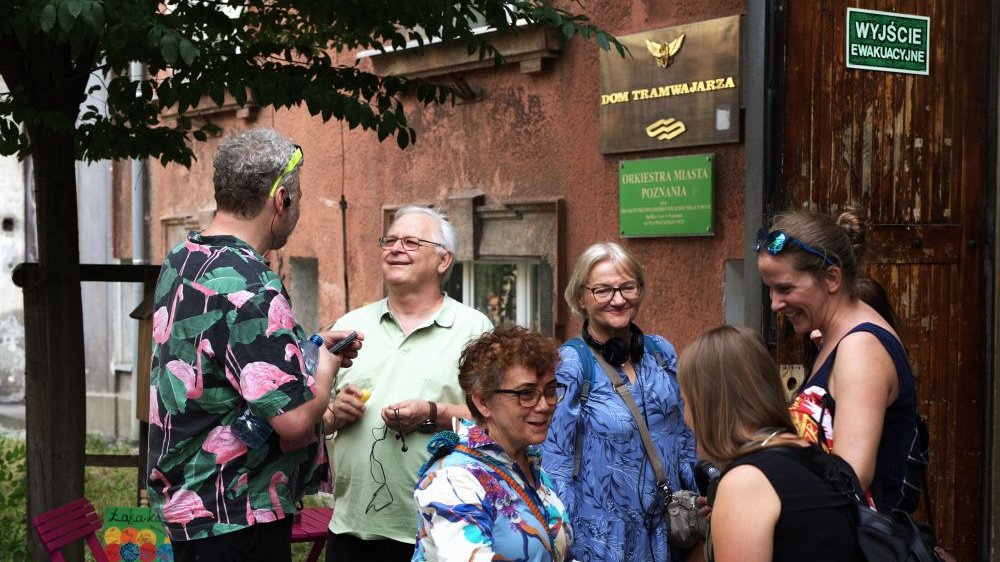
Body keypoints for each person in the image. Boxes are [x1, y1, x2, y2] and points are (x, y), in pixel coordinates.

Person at [146, 127, 360, 561]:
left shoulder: (185, 255)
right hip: (235, 514)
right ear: (280, 198)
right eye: (296, 199)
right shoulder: (251, 287)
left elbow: (230, 362)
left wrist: (308, 346)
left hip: (194, 508)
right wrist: (325, 368)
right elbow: (295, 420)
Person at [323, 205, 494, 560]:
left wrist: (433, 412)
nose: (395, 248)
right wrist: (335, 414)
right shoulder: (350, 325)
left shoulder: (474, 329)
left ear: (443, 260)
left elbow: (497, 422)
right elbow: (314, 416)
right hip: (353, 528)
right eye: (390, 240)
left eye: (412, 242)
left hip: (441, 529)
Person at [542, 242, 698, 562]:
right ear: (581, 297)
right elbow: (555, 461)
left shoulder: (660, 351)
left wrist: (694, 497)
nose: (618, 299)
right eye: (603, 290)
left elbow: (681, 434)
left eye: (628, 287)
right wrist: (562, 538)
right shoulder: (570, 365)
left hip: (668, 531)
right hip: (602, 542)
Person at [756, 210, 920, 513]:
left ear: (831, 278)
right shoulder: (835, 338)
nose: (775, 304)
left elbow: (849, 477)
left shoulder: (861, 348)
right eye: (770, 289)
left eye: (785, 288)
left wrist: (754, 495)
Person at [677, 325, 861, 562]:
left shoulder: (745, 483)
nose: (685, 415)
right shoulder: (802, 450)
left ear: (708, 406)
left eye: (685, 401)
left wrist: (734, 506)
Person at [412, 325, 572, 561]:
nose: (545, 405)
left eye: (550, 390)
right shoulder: (455, 477)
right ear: (483, 402)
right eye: (526, 394)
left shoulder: (527, 461)